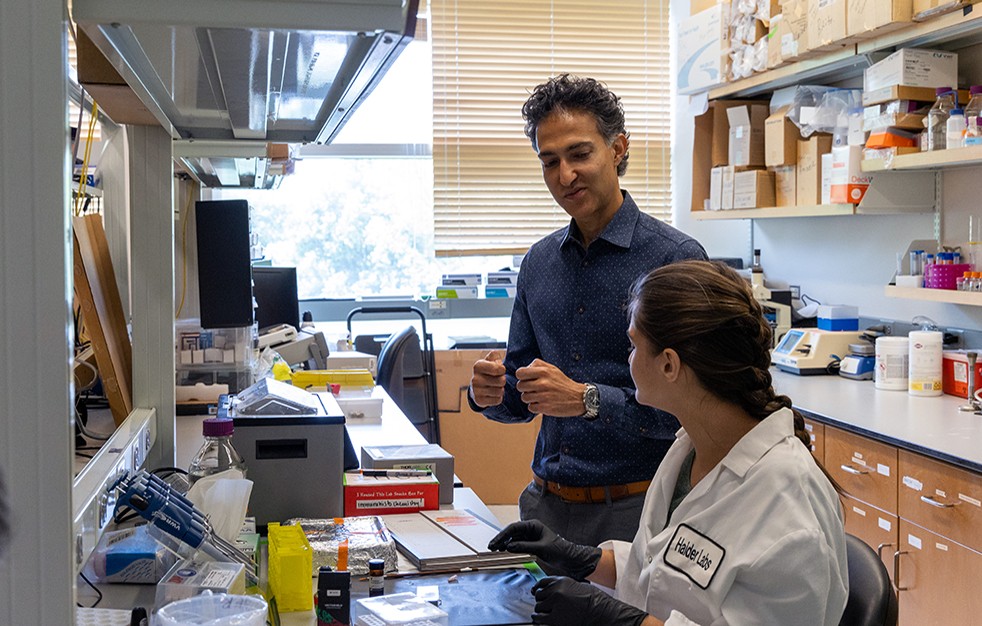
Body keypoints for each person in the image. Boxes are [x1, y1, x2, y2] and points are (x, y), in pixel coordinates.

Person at [489, 260, 848, 626]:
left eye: (633, 345)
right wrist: (580, 558)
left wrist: (615, 620)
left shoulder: (788, 509)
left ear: (669, 365)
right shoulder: (689, 450)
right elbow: (666, 571)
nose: (628, 360)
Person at [469, 75, 707, 547]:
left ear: (617, 148)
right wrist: (491, 394)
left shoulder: (673, 259)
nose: (564, 175)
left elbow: (695, 408)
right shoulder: (538, 262)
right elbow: (522, 398)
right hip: (545, 504)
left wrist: (588, 399)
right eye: (550, 161)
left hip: (641, 513)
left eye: (579, 154)